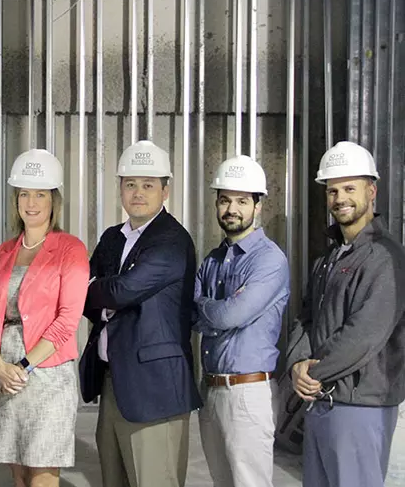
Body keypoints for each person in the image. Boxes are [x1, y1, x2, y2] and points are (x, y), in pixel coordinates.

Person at [79, 140, 201, 487]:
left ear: (165, 190)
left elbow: (123, 290)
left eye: (148, 185)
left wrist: (99, 287)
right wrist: (102, 290)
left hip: (154, 390)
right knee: (113, 480)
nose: (138, 192)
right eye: (130, 183)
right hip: (112, 380)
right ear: (120, 187)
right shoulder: (112, 238)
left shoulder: (171, 240)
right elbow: (88, 300)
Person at [287, 141, 405, 487]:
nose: (340, 198)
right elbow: (305, 317)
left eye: (349, 188)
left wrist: (313, 373)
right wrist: (297, 363)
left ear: (372, 192)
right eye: (332, 190)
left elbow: (364, 334)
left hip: (361, 404)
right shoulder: (329, 259)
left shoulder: (386, 257)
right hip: (322, 398)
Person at [0, 149, 89, 487]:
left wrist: (24, 366)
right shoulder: (4, 251)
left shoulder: (70, 248)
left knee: (42, 472)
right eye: (24, 193)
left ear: (53, 200)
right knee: (18, 472)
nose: (31, 202)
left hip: (47, 375)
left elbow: (67, 321)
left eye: (40, 194)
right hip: (6, 371)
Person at [194, 155, 290, 487]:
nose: (231, 208)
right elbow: (192, 313)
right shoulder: (213, 258)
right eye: (224, 200)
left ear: (258, 205)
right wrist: (215, 312)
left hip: (248, 394)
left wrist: (210, 309)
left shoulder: (270, 260)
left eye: (241, 201)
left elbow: (231, 314)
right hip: (211, 389)